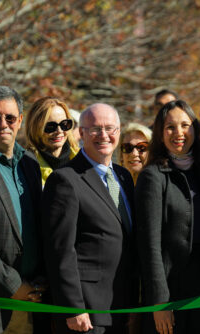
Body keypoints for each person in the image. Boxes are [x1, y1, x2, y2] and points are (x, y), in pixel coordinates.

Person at [42, 103, 137, 334]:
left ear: (119, 131)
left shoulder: (123, 176)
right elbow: (60, 250)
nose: (103, 135)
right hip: (86, 313)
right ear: (81, 133)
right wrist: (72, 307)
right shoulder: (65, 180)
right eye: (95, 129)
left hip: (122, 307)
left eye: (110, 128)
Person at [136, 100, 200, 334]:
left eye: (185, 125)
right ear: (160, 134)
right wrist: (159, 302)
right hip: (170, 292)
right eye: (170, 127)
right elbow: (149, 245)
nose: (178, 133)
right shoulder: (152, 176)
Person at [0, 86, 45, 334]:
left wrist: (37, 282)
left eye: (10, 118)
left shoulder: (29, 163)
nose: (3, 124)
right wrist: (13, 285)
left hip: (33, 301)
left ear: (20, 121)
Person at [25, 97, 79, 186]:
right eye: (50, 127)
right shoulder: (25, 167)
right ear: (35, 128)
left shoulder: (84, 161)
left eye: (64, 124)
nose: (59, 131)